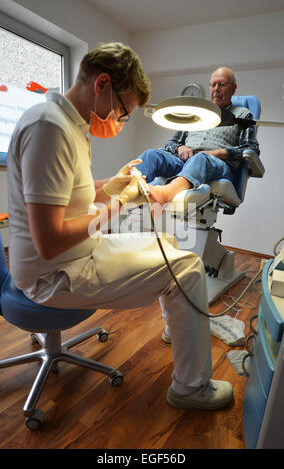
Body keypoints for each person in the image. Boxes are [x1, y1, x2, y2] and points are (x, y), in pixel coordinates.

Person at [7, 43, 233, 410]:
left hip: (76, 254)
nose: (119, 120)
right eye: (123, 110)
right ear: (102, 85)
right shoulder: (50, 129)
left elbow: (68, 191)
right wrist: (118, 204)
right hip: (55, 274)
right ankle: (191, 388)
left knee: (164, 241)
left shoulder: (66, 123)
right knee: (188, 266)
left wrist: (111, 184)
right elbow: (49, 243)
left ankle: (179, 326)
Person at [137, 67, 260, 206]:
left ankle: (166, 193)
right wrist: (181, 147)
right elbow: (171, 144)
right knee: (151, 155)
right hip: (184, 161)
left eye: (222, 84)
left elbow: (251, 149)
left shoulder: (242, 114)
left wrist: (217, 153)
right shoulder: (198, 113)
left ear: (233, 88)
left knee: (201, 158)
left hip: (216, 164)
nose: (216, 89)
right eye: (213, 85)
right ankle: (126, 193)